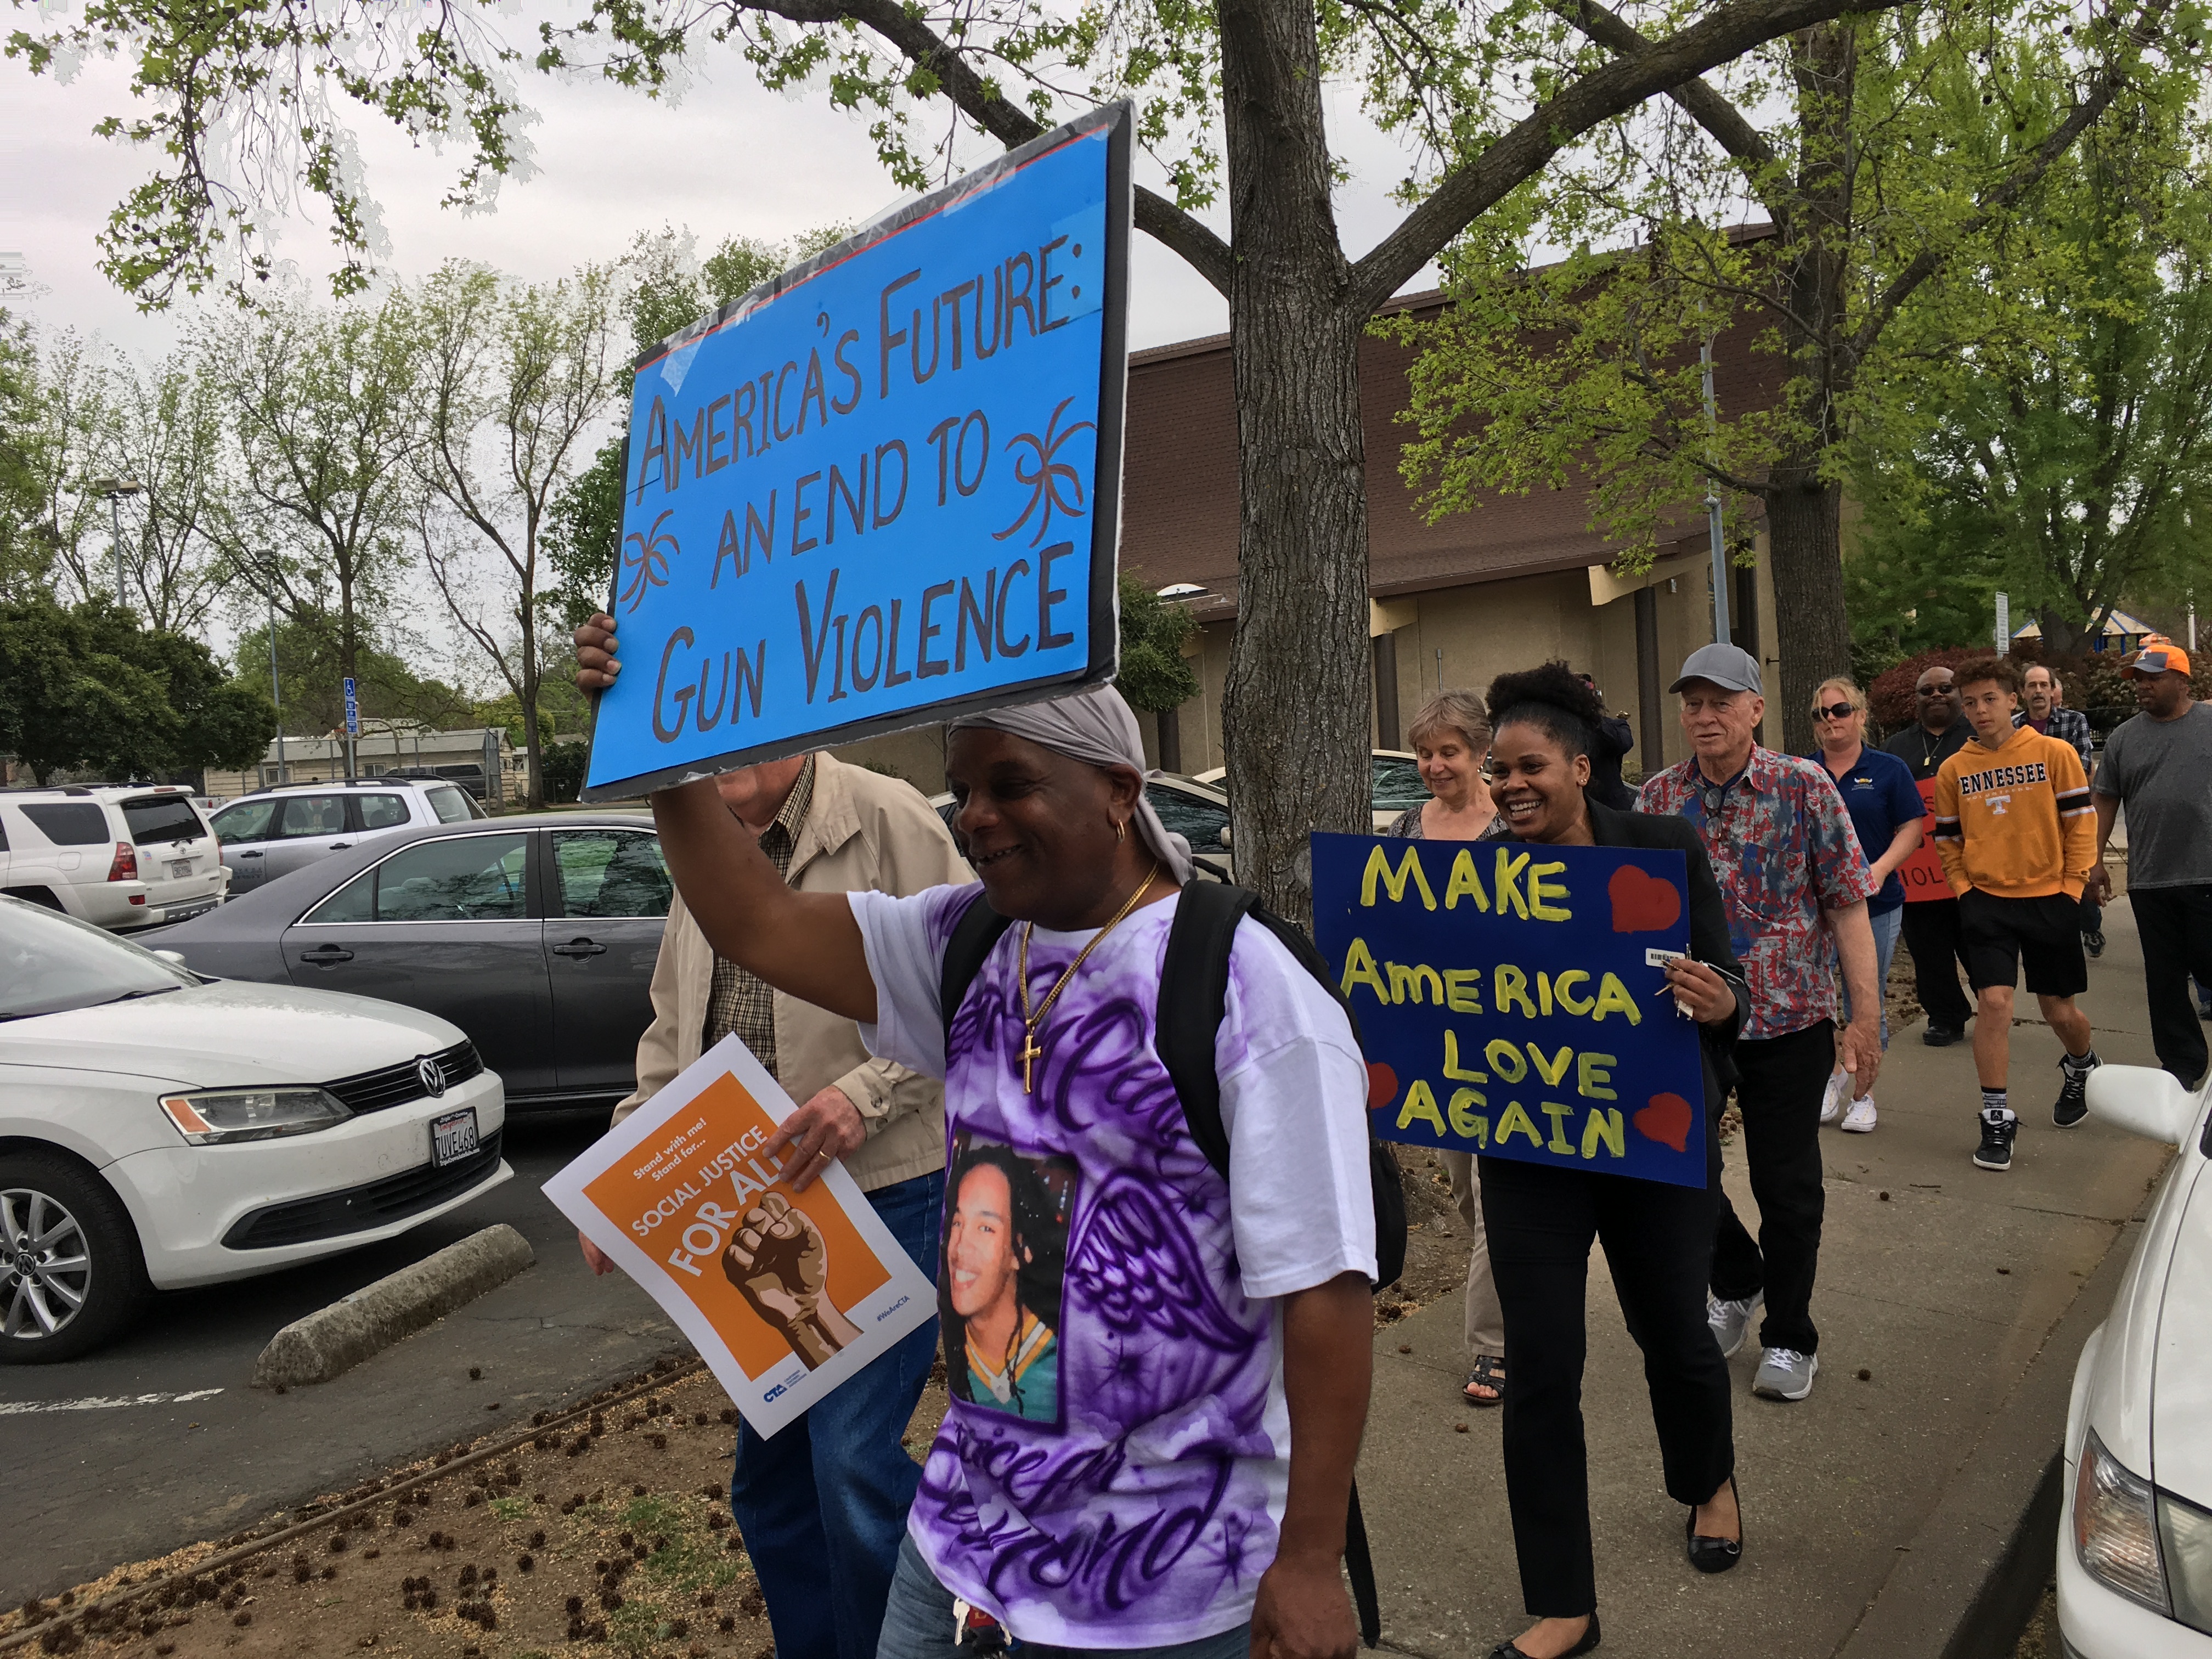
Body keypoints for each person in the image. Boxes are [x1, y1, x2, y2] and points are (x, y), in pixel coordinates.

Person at [575, 613, 1378, 1659]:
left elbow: (1323, 1286)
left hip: (1167, 1574)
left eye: (1012, 784)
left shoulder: (1242, 983)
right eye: (964, 789)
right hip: (965, 1538)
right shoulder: (965, 940)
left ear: (1119, 789)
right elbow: (755, 921)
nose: (977, 817)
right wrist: (657, 743)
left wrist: (1308, 1557)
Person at [578, 743, 970, 1659]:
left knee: (850, 1465)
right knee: (774, 1488)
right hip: (758, 1216)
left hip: (884, 1195)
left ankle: (934, 1634)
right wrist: (620, 1179)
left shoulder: (888, 816)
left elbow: (972, 988)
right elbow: (673, 1031)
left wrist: (864, 1094)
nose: (720, 754)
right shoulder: (703, 840)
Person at [1476, 663, 1747, 1659]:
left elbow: (1728, 979)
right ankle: (1564, 1603)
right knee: (1541, 1366)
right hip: (1529, 1150)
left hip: (1650, 1138)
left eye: (1530, 766)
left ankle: (1708, 1480)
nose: (1511, 785)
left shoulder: (1662, 846)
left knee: (1672, 1330)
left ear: (1580, 767)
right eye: (1500, 770)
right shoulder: (1475, 881)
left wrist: (1721, 998)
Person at [1639, 644, 1882, 1405]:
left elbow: (1847, 903)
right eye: (1693, 703)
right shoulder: (1658, 797)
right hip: (1687, 1022)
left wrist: (1864, 1019)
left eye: (1721, 702)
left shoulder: (1803, 787)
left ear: (1755, 709)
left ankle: (1791, 1333)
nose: (1705, 716)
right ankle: (1738, 1276)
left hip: (1789, 1021)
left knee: (1786, 1185)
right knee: (1680, 1175)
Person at [1386, 690, 1507, 1408]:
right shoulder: (1406, 829)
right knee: (1463, 1186)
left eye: (1448, 752)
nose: (1434, 765)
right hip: (1437, 1041)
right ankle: (1520, 1285)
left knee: (1493, 1195)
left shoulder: (1513, 827)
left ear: (1481, 752)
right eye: (1425, 753)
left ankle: (1493, 1347)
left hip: (1510, 1037)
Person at [1932, 656, 2100, 1173]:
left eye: (1989, 699)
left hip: (2051, 898)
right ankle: (1996, 1118)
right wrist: (1964, 889)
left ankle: (2081, 1064)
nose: (1980, 711)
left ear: (2013, 700)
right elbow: (1948, 839)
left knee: (2060, 1012)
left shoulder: (2054, 754)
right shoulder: (1954, 769)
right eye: (1970, 703)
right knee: (1994, 1004)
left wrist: (2072, 888)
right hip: (1987, 903)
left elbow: (2081, 823)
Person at [2089, 641, 2212, 1087]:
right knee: (2165, 979)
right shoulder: (2124, 738)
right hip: (2151, 880)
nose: (2142, 686)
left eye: (2153, 678)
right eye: (2138, 680)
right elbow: (2105, 800)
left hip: (2207, 874)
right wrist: (2094, 860)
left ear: (2182, 680)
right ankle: (2182, 1066)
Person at [1807, 678, 1923, 1133]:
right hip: (1815, 911)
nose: (1830, 720)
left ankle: (1863, 1095)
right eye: (1821, 714)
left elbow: (1911, 828)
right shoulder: (1803, 772)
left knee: (1865, 1000)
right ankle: (1829, 1077)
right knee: (1818, 1001)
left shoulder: (1889, 769)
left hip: (1875, 905)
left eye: (1840, 710)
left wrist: (1878, 870)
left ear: (1860, 715)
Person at [1884, 664, 1976, 1045]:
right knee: (1928, 950)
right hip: (1918, 876)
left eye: (1945, 688)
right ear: (1917, 699)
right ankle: (1945, 1016)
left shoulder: (1978, 738)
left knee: (1979, 945)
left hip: (1971, 869)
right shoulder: (1896, 747)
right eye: (1927, 691)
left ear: (1959, 695)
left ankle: (1994, 1003)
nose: (1936, 695)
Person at [942, 1139, 1065, 1421]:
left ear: (1021, 1249)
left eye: (986, 1228)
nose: (960, 1249)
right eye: (957, 1223)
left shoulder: (1063, 1356)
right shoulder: (961, 1354)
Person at [2018, 664, 2103, 957]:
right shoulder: (2013, 727)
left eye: (2044, 685)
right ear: (2022, 692)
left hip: (2067, 813)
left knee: (2077, 868)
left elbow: (2082, 766)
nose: (2039, 691)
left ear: (2053, 690)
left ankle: (2090, 925)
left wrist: (2036, 781)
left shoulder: (2074, 721)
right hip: (2029, 817)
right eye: (2032, 686)